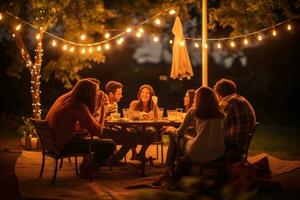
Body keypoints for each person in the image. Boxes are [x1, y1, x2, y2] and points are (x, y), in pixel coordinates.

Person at [154, 86, 225, 186]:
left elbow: (180, 133)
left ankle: (168, 170)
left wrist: (171, 129)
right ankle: (170, 171)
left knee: (173, 136)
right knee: (181, 137)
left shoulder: (193, 111)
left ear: (198, 98)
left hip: (197, 151)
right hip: (218, 152)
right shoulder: (222, 115)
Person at [46, 79, 116, 172]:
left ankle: (86, 165)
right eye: (96, 92)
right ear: (89, 93)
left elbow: (84, 123)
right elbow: (98, 131)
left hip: (52, 145)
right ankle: (87, 170)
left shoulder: (64, 100)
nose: (98, 94)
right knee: (109, 144)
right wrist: (103, 108)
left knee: (91, 137)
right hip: (64, 147)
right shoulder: (78, 106)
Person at [213, 78, 256, 162]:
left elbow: (216, 128)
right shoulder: (241, 99)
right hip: (241, 146)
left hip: (231, 149)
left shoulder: (226, 103)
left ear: (218, 94)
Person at [129, 84, 159, 161]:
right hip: (135, 128)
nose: (144, 95)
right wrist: (140, 115)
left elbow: (157, 118)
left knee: (152, 131)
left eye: (147, 93)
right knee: (131, 131)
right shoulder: (134, 103)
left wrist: (155, 104)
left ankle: (141, 154)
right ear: (140, 94)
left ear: (151, 95)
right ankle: (134, 153)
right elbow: (129, 116)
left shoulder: (153, 106)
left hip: (147, 129)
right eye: (142, 92)